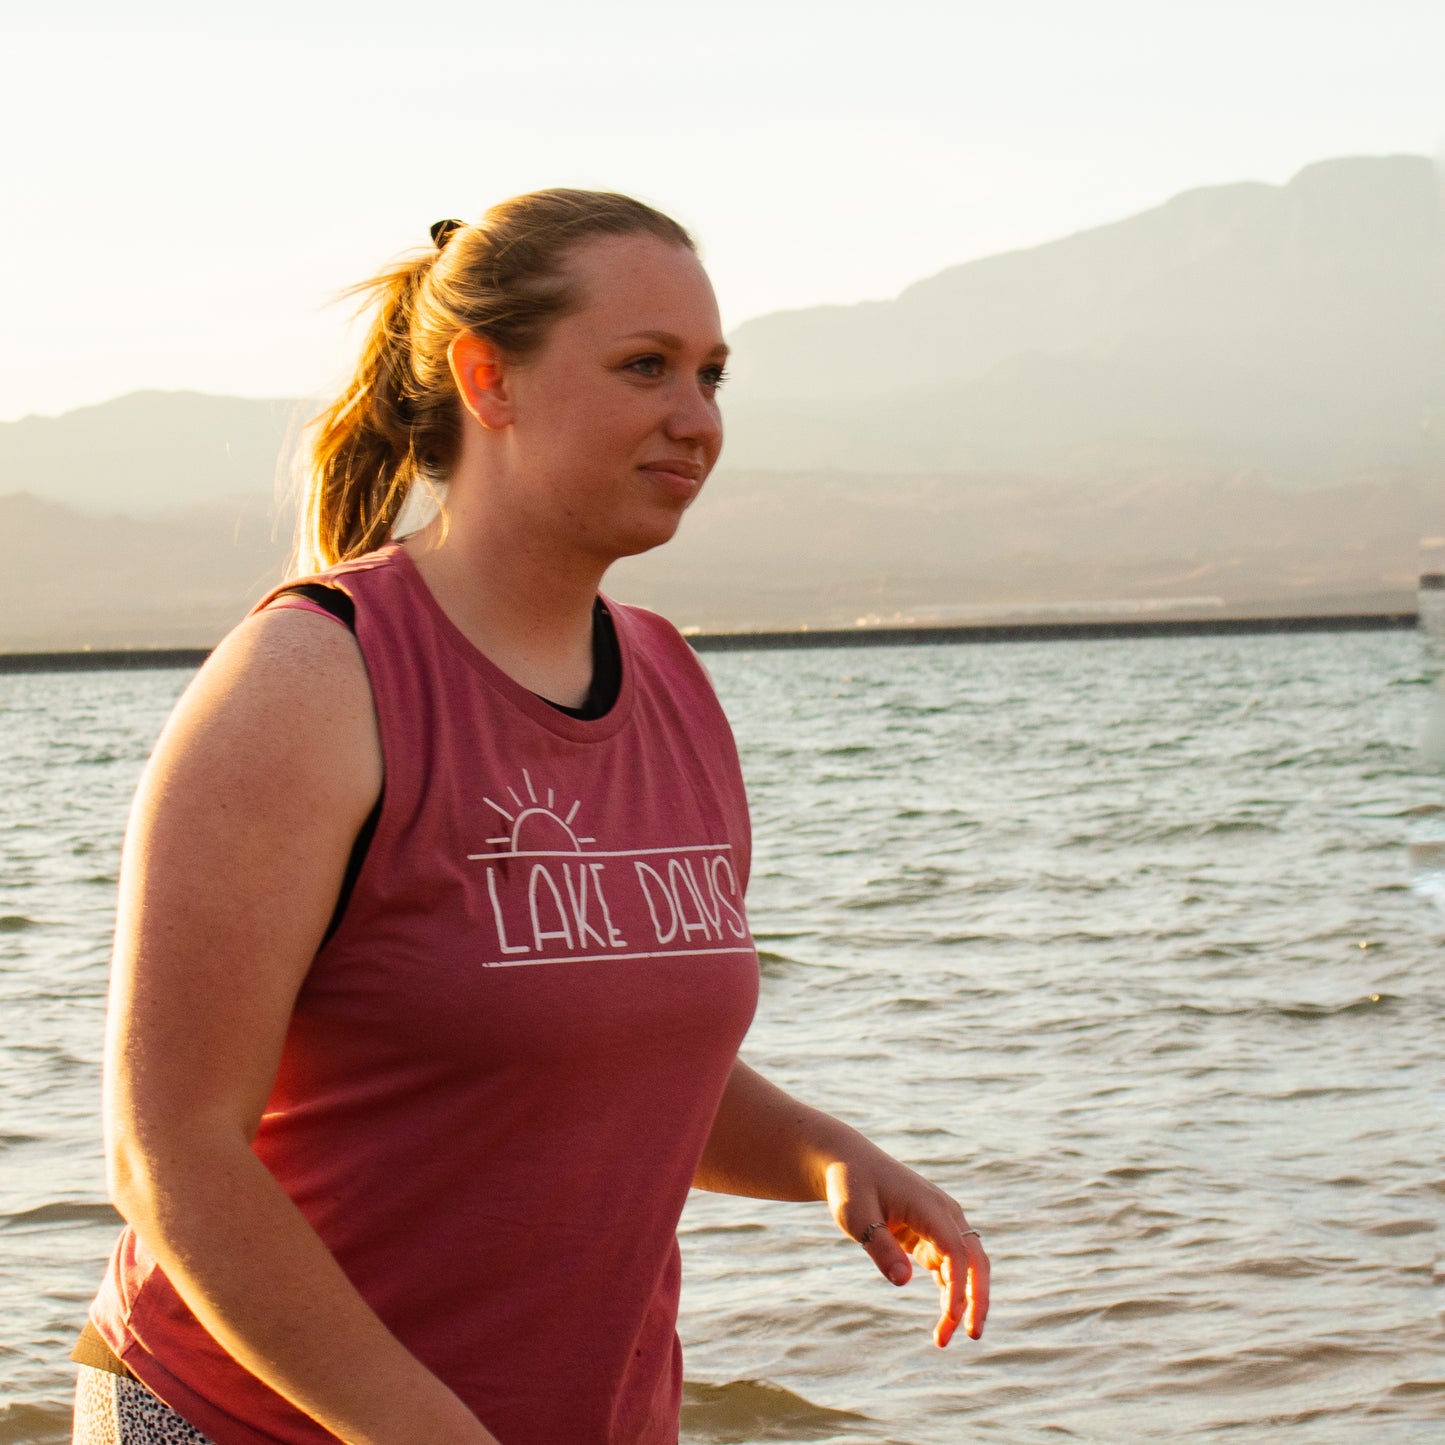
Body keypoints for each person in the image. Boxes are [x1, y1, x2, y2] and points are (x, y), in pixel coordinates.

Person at [74, 189, 990, 1445]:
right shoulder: (308, 681)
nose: (697, 418)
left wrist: (824, 1155)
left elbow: (584, 1036)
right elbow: (170, 1150)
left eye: (712, 375)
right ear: (485, 379)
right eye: (644, 367)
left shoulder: (670, 680)